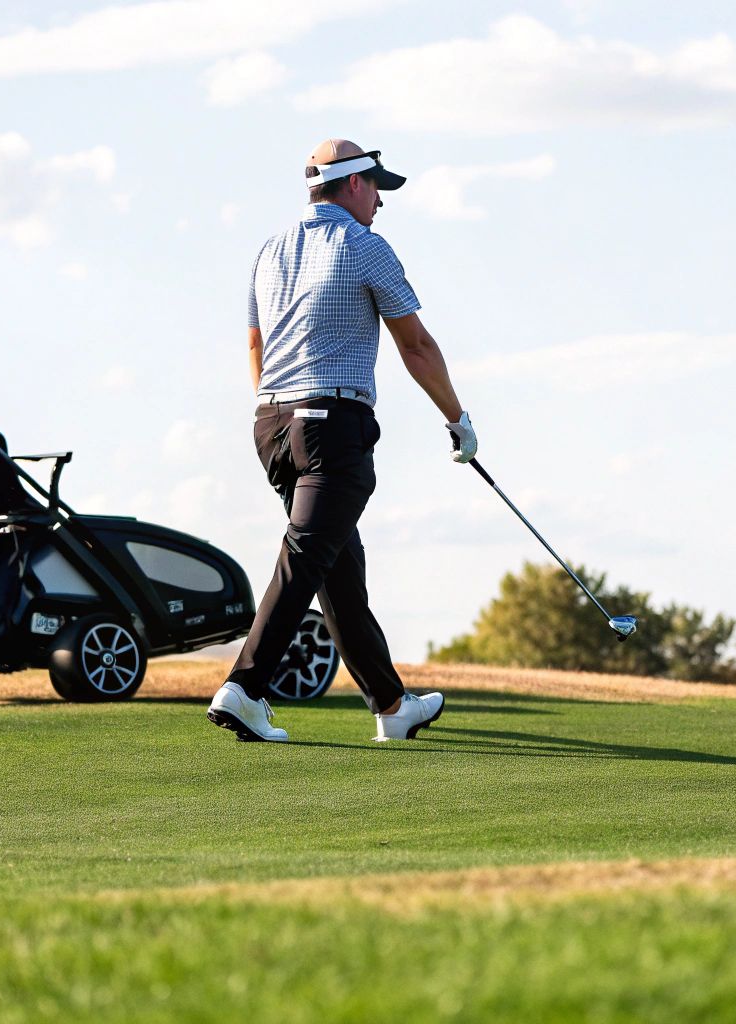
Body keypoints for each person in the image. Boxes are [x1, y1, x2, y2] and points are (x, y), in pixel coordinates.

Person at [207, 139, 478, 744]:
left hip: (273, 427)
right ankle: (246, 688)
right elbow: (417, 347)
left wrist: (275, 407)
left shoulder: (267, 251)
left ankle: (390, 704)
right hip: (331, 428)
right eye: (377, 187)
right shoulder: (365, 247)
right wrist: (457, 418)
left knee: (338, 571)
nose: (382, 201)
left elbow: (254, 346)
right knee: (307, 556)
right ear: (353, 185)